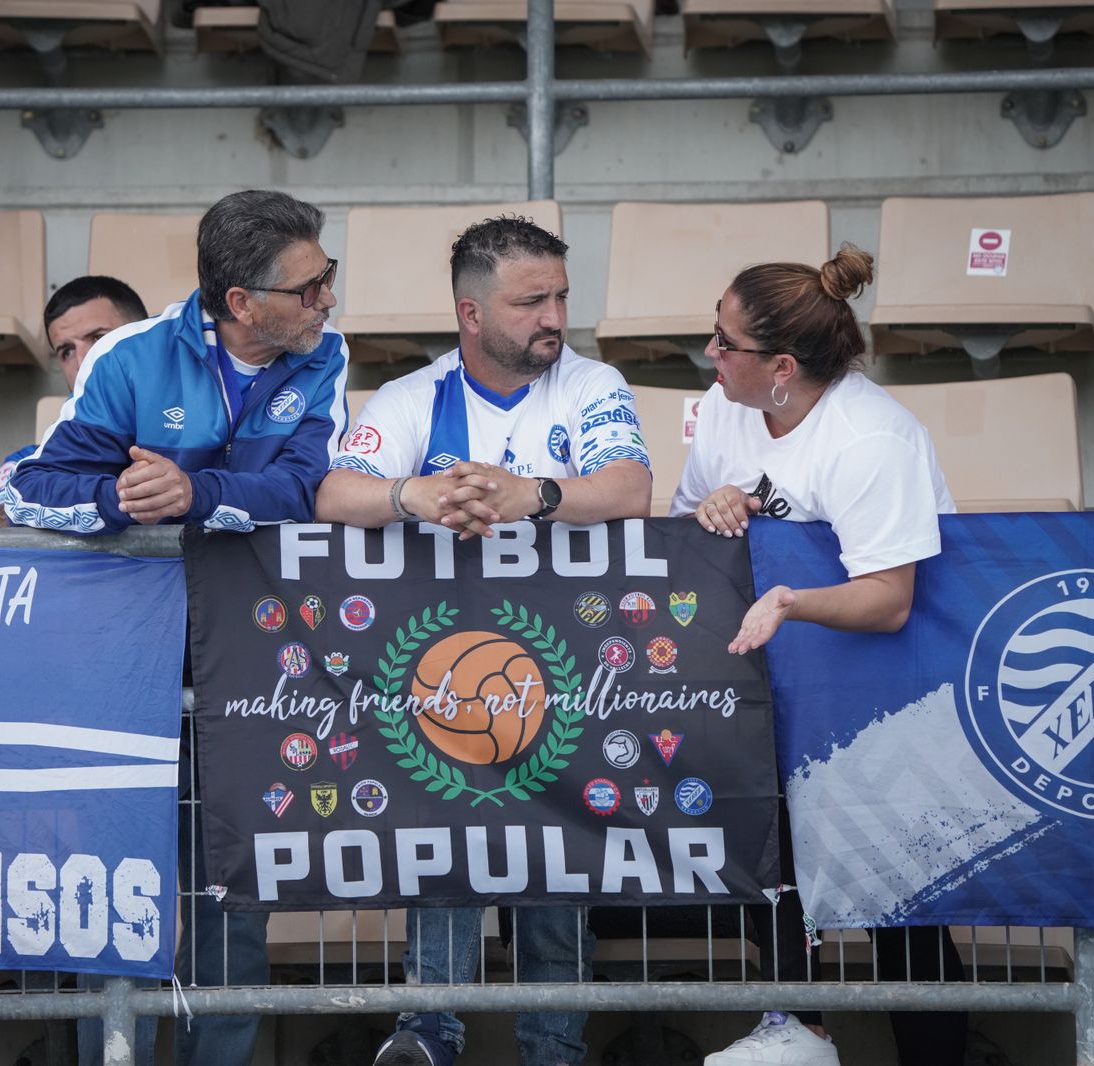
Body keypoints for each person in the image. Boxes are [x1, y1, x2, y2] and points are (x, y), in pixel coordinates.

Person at [7, 189, 349, 1066]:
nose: (328, 302)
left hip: (255, 661)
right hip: (130, 661)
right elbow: (31, 490)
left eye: (327, 279)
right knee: (116, 891)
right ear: (241, 302)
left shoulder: (324, 355)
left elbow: (310, 489)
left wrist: (198, 495)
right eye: (309, 288)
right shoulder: (127, 355)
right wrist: (115, 499)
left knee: (235, 894)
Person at [316, 215, 653, 1066]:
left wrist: (528, 494)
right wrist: (416, 497)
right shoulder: (413, 397)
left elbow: (630, 488)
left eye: (561, 296)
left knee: (559, 860)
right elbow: (334, 494)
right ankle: (428, 1033)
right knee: (447, 830)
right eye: (530, 300)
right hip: (446, 672)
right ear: (471, 313)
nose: (553, 316)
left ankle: (555, 1047)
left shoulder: (591, 382)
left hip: (571, 672)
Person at [670, 244, 964, 1066]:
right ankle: (797, 1033)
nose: (710, 354)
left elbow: (889, 597)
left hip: (884, 702)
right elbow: (686, 523)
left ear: (784, 368)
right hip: (778, 694)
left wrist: (793, 599)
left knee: (900, 910)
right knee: (779, 872)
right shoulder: (727, 405)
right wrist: (716, 508)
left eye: (726, 342)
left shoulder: (874, 439)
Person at [0, 275, 150, 527]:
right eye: (67, 351)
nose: (83, 362)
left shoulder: (202, 435)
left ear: (147, 337)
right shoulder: (30, 463)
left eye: (98, 338)